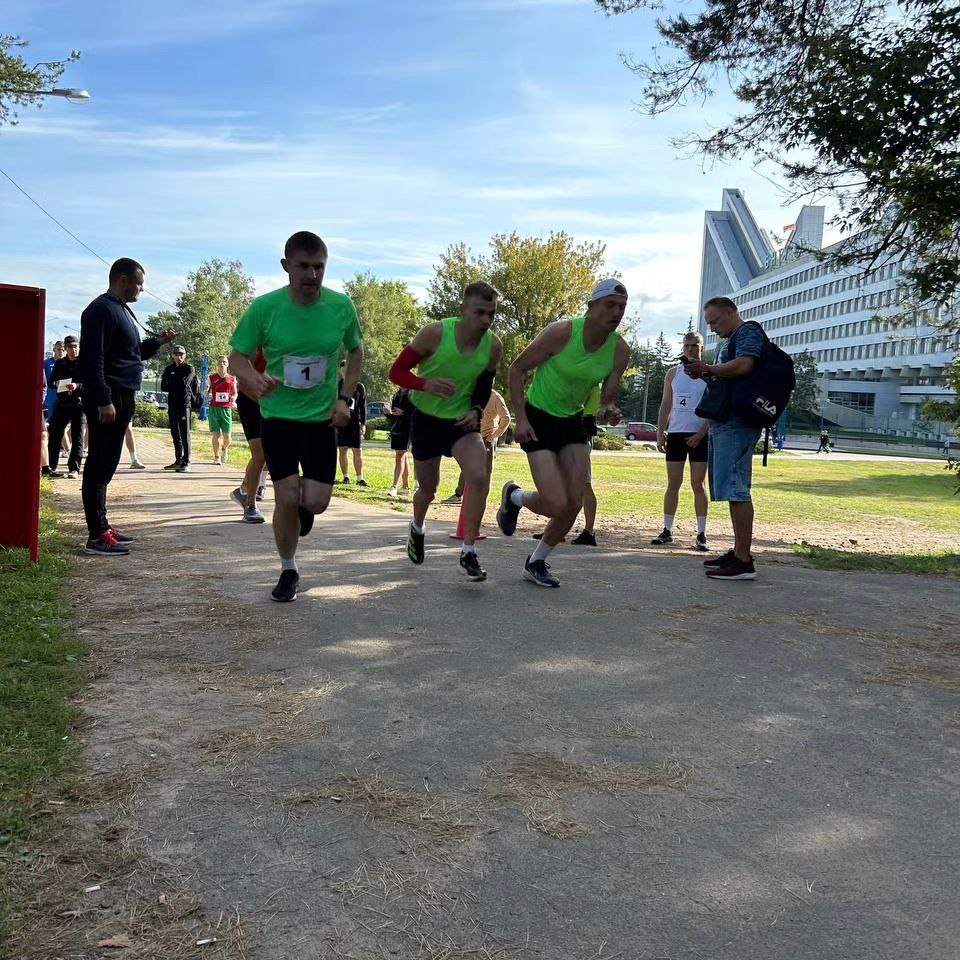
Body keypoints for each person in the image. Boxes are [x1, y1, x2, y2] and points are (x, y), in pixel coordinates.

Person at [229, 230, 363, 602]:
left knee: (316, 502)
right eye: (303, 266)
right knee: (285, 496)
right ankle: (288, 569)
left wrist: (345, 399)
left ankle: (304, 511)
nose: (311, 275)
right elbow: (236, 357)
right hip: (278, 418)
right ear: (287, 266)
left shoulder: (340, 307)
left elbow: (356, 353)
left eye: (318, 267)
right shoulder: (264, 308)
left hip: (321, 421)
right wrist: (254, 379)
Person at [497, 279, 630, 588]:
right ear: (591, 306)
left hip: (571, 422)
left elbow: (608, 397)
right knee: (556, 502)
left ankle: (538, 560)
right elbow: (517, 369)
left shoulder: (620, 351)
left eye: (622, 307)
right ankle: (514, 497)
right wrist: (520, 418)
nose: (617, 312)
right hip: (538, 418)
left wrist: (610, 409)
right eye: (610, 305)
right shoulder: (562, 332)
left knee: (575, 500)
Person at [388, 281, 502, 582]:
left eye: (491, 314)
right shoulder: (435, 334)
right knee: (428, 489)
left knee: (478, 475)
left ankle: (468, 552)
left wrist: (477, 409)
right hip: (426, 419)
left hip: (461, 424)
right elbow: (395, 372)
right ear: (463, 309)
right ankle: (417, 527)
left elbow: (484, 386)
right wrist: (425, 384)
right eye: (479, 312)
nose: (486, 321)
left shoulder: (494, 346)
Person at [77, 258, 176, 555]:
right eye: (139, 283)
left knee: (108, 462)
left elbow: (132, 354)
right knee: (99, 463)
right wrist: (104, 399)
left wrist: (158, 342)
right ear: (122, 280)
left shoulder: (121, 309)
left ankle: (103, 525)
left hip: (123, 393)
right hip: (109, 396)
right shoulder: (100, 310)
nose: (141, 289)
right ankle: (96, 535)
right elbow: (92, 360)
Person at [684, 296, 763, 581]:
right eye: (708, 323)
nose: (712, 327)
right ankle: (739, 551)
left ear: (731, 313)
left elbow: (744, 366)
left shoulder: (748, 332)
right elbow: (724, 381)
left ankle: (743, 561)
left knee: (736, 487)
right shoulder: (726, 343)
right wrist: (703, 372)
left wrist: (708, 369)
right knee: (731, 488)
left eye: (715, 321)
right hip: (725, 420)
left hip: (738, 421)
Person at [650, 331, 710, 550]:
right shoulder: (673, 373)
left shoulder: (709, 374)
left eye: (695, 345)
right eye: (687, 345)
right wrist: (660, 432)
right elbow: (666, 404)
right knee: (673, 483)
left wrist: (701, 434)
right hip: (675, 434)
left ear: (702, 348)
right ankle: (667, 530)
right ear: (682, 347)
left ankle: (702, 533)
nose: (691, 349)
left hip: (699, 435)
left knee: (698, 484)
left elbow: (714, 409)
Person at [442, 388, 511, 505]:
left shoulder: (495, 397)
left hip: (487, 438)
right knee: (467, 466)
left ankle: (482, 497)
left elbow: (506, 418)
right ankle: (459, 494)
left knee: (487, 470)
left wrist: (495, 435)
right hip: (472, 436)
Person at [230, 346, 269, 523]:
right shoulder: (256, 343)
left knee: (270, 454)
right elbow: (244, 382)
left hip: (273, 402)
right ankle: (250, 505)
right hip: (251, 401)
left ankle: (244, 488)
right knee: (260, 453)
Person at [46, 335, 85, 479]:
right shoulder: (60, 364)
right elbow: (51, 382)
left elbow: (91, 383)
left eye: (75, 346)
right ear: (66, 349)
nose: (73, 350)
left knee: (77, 437)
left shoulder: (85, 363)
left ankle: (74, 469)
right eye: (70, 347)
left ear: (79, 347)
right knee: (55, 434)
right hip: (62, 403)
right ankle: (51, 466)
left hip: (78, 404)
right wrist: (58, 384)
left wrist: (76, 386)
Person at [160, 345, 196, 472]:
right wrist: (174, 381)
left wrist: (172, 380)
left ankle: (186, 461)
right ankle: (178, 459)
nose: (179, 357)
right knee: (175, 433)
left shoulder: (189, 368)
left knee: (184, 433)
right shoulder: (169, 368)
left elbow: (184, 383)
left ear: (185, 355)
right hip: (172, 404)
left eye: (181, 354)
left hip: (184, 404)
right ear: (172, 355)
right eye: (176, 354)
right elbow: (163, 386)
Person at [205, 355, 238, 465]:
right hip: (214, 408)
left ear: (227, 364)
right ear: (217, 364)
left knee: (227, 436)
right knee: (216, 435)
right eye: (220, 362)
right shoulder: (211, 377)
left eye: (224, 362)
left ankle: (225, 449)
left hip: (226, 409)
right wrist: (206, 391)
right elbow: (207, 390)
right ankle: (216, 456)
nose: (222, 364)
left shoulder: (232, 378)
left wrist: (233, 398)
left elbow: (235, 392)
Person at [336, 366, 367, 485]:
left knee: (357, 450)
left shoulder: (359, 387)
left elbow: (363, 407)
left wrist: (363, 424)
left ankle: (360, 478)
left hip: (354, 422)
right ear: (341, 371)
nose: (345, 373)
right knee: (342, 450)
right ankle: (345, 477)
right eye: (343, 371)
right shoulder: (337, 386)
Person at [385, 387, 413, 498]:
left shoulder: (412, 393)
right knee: (403, 456)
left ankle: (394, 486)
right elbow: (394, 415)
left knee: (400, 455)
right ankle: (405, 487)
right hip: (397, 428)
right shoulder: (397, 393)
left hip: (407, 428)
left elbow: (416, 412)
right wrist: (388, 413)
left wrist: (403, 412)